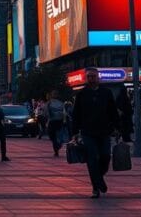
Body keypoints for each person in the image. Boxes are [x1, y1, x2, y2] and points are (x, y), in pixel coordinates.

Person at [72, 67, 120, 198]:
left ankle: (99, 178)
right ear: (86, 78)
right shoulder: (81, 94)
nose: (91, 79)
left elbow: (113, 111)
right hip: (88, 132)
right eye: (89, 77)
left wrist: (117, 128)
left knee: (105, 156)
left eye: (93, 76)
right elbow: (76, 114)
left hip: (104, 131)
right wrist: (75, 132)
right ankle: (96, 187)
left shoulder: (106, 93)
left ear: (98, 78)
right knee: (92, 159)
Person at [46, 90, 67, 157]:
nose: (54, 95)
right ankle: (57, 147)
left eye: (55, 94)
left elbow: (64, 113)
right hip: (55, 121)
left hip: (56, 121)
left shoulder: (59, 103)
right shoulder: (51, 103)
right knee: (54, 136)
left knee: (54, 137)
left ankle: (57, 149)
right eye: (53, 94)